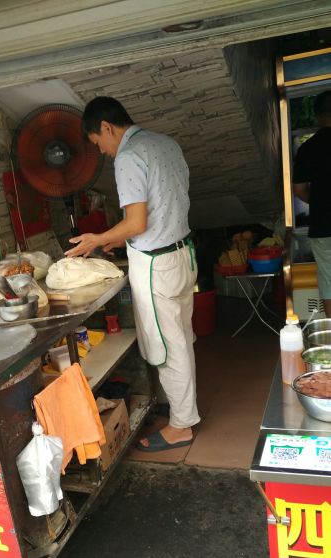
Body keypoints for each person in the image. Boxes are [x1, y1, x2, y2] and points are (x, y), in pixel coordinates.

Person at [66, 96, 200, 451]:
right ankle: (183, 407)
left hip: (156, 265)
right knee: (181, 338)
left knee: (168, 347)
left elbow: (137, 222)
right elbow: (163, 208)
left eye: (99, 144)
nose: (104, 153)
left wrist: (98, 238)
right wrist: (117, 238)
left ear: (107, 128)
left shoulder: (128, 156)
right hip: (182, 254)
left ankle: (182, 425)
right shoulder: (165, 142)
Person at [293, 90, 331, 318]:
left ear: (317, 115)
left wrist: (316, 201)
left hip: (323, 226)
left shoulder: (308, 148)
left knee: (328, 281)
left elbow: (299, 190)